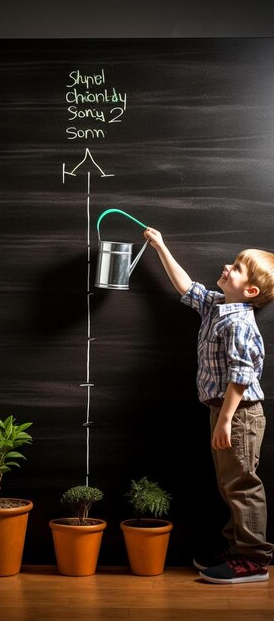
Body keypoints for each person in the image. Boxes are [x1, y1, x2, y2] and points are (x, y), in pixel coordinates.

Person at [144, 226, 274, 584]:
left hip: (239, 414)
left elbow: (241, 375)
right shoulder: (218, 306)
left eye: (236, 267)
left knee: (242, 484)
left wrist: (226, 420)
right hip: (224, 411)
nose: (226, 267)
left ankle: (254, 559)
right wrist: (161, 246)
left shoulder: (240, 323)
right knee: (228, 483)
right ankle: (237, 549)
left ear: (250, 291)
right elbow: (187, 288)